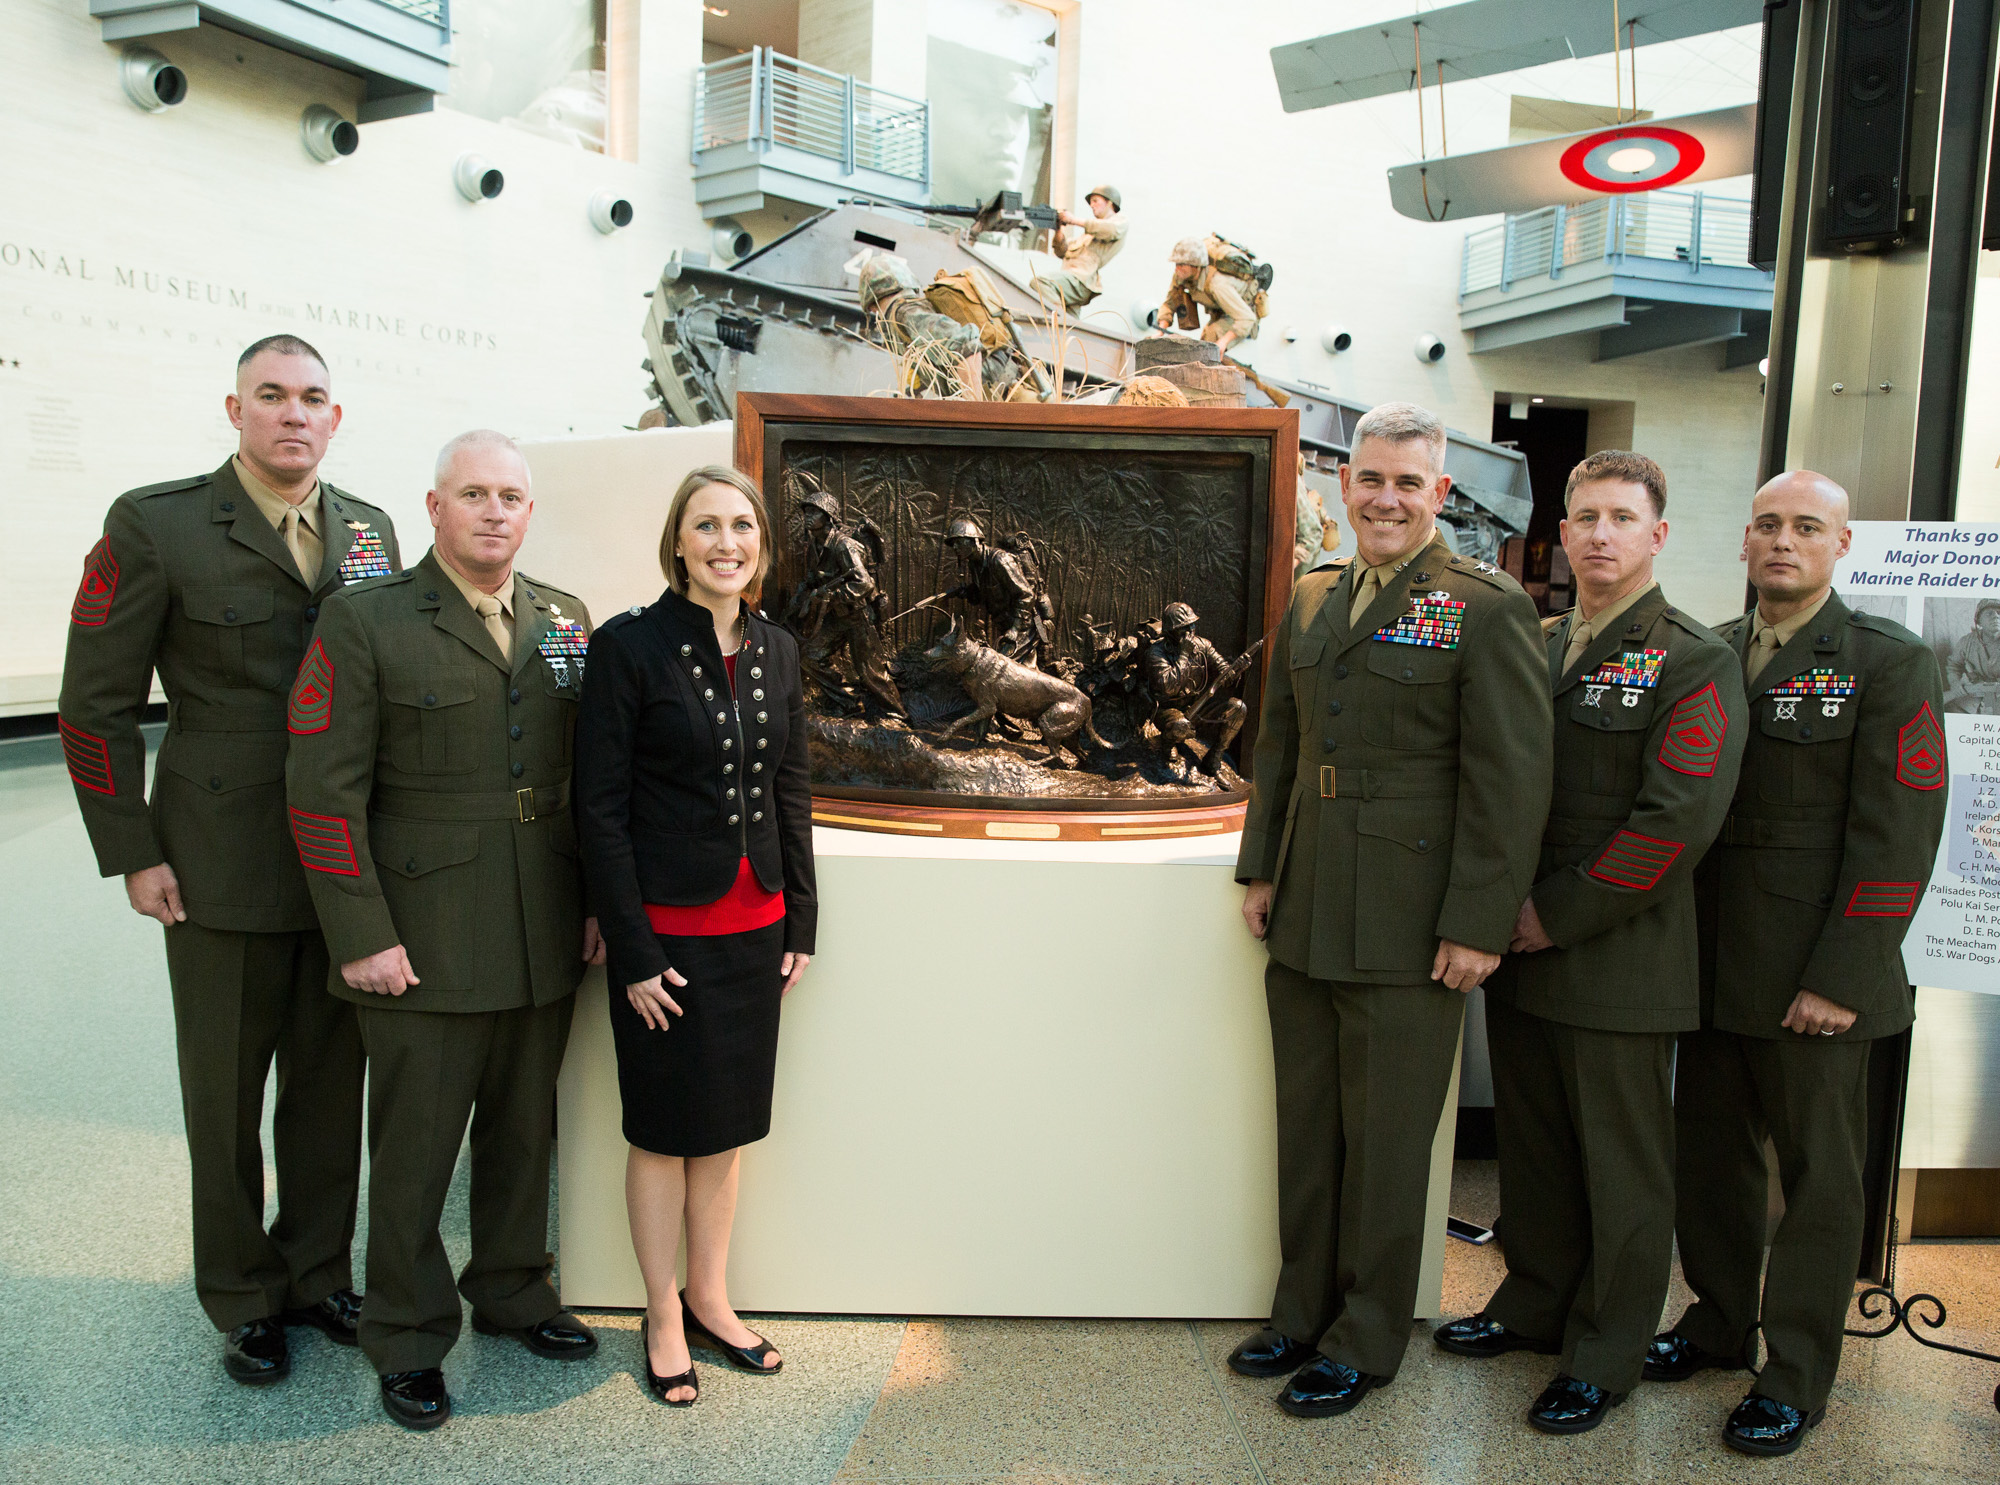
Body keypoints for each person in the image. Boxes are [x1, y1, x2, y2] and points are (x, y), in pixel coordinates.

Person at [56, 335, 399, 1384]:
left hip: (343, 863)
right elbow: (95, 703)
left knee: (328, 1087)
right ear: (235, 410)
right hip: (215, 857)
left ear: (334, 418)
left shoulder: (370, 531)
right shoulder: (154, 524)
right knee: (223, 1091)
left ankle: (314, 1272)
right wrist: (133, 852)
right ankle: (242, 1294)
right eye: (272, 396)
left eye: (312, 399)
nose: (293, 414)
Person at [1230, 401, 1551, 1419]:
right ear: (1343, 483)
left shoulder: (1481, 605)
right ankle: (1299, 1310)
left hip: (1414, 920)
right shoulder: (1317, 595)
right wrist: (1260, 867)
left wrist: (1476, 921)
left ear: (1439, 494)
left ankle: (1365, 1338)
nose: (1385, 497)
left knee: (1384, 1141)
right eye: (1370, 478)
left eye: (1408, 483)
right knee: (1308, 1127)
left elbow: (1509, 782)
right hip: (1313, 898)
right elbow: (1278, 743)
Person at [283, 430, 600, 1430]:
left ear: (528, 511)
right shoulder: (365, 620)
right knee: (417, 1148)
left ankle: (511, 1290)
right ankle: (409, 1333)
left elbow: (585, 777)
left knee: (524, 1129)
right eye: (473, 494)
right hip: (417, 937)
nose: (494, 512)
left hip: (538, 923)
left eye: (510, 496)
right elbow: (322, 794)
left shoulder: (562, 619)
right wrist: (360, 933)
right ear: (433, 508)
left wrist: (591, 903)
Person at [1434, 451, 1747, 1434]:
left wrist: (1549, 914)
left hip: (1614, 955)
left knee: (1618, 1167)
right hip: (1519, 952)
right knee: (1531, 1150)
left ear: (1656, 536)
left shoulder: (1692, 657)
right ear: (1560, 536)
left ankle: (1606, 1350)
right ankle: (1533, 1304)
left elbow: (1672, 822)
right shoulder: (1534, 639)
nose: (1600, 533)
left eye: (1621, 517)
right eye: (1584, 517)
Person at [1651, 470, 1947, 1457]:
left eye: (1805, 527)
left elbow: (1895, 836)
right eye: (1767, 525)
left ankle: (1796, 1372)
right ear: (1743, 542)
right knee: (1710, 1162)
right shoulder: (1711, 653)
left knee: (1818, 1182)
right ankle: (1717, 1321)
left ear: (1839, 545)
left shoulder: (1882, 661)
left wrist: (1843, 975)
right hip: (1709, 963)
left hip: (1813, 981)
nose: (1782, 541)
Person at [572, 464, 817, 1409]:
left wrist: (803, 915)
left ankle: (712, 1295)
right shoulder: (628, 647)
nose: (727, 542)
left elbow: (791, 788)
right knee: (664, 1131)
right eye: (708, 526)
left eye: (743, 527)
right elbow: (599, 810)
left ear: (761, 544)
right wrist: (632, 953)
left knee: (725, 1130)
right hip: (664, 940)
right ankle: (662, 1309)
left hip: (755, 930)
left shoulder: (780, 650)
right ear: (678, 540)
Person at [789, 485, 906, 720]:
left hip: (858, 616)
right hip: (838, 616)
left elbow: (864, 583)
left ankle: (897, 716)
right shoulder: (815, 544)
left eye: (814, 512)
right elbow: (815, 577)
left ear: (828, 516)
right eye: (806, 512)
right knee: (810, 657)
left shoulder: (843, 545)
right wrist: (801, 596)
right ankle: (849, 701)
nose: (808, 517)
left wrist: (833, 596)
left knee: (870, 672)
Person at [1140, 602, 1249, 777]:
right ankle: (1167, 744)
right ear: (1171, 631)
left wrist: (1236, 670)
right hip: (1167, 709)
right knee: (1179, 725)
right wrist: (1184, 654)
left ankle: (1214, 757)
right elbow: (1168, 687)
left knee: (1238, 708)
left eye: (1192, 624)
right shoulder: (1156, 652)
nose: (1191, 630)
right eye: (1184, 627)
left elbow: (1224, 673)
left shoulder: (1203, 645)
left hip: (1198, 704)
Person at [942, 517, 1052, 666]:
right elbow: (982, 597)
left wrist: (1015, 628)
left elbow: (1026, 595)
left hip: (1023, 627)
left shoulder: (1000, 560)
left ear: (974, 540)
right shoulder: (974, 565)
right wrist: (966, 592)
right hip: (1005, 626)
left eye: (959, 542)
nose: (955, 547)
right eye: (953, 544)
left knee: (1006, 669)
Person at [1031, 184, 1127, 312]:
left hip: (1080, 279)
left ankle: (1058, 319)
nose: (1091, 205)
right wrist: (1058, 229)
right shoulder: (1087, 236)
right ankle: (1062, 325)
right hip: (1071, 280)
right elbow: (1062, 251)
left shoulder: (1118, 222)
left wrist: (1073, 220)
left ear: (1109, 203)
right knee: (1071, 327)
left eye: (1095, 201)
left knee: (1041, 283)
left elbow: (1110, 230)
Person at [1158, 236, 1262, 351]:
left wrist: (1223, 342)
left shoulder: (1218, 284)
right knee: (1206, 344)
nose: (1177, 269)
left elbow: (1246, 318)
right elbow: (1170, 302)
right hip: (1221, 308)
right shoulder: (1181, 276)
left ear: (1196, 266)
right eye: (1176, 264)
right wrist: (1160, 331)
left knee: (1211, 338)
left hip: (1242, 312)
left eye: (1182, 264)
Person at [1943, 597, 2000, 712]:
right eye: (1989, 614)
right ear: (1979, 621)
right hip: (1976, 690)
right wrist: (1955, 683)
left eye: (1999, 613)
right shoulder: (1967, 642)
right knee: (1952, 710)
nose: (1996, 616)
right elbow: (1953, 665)